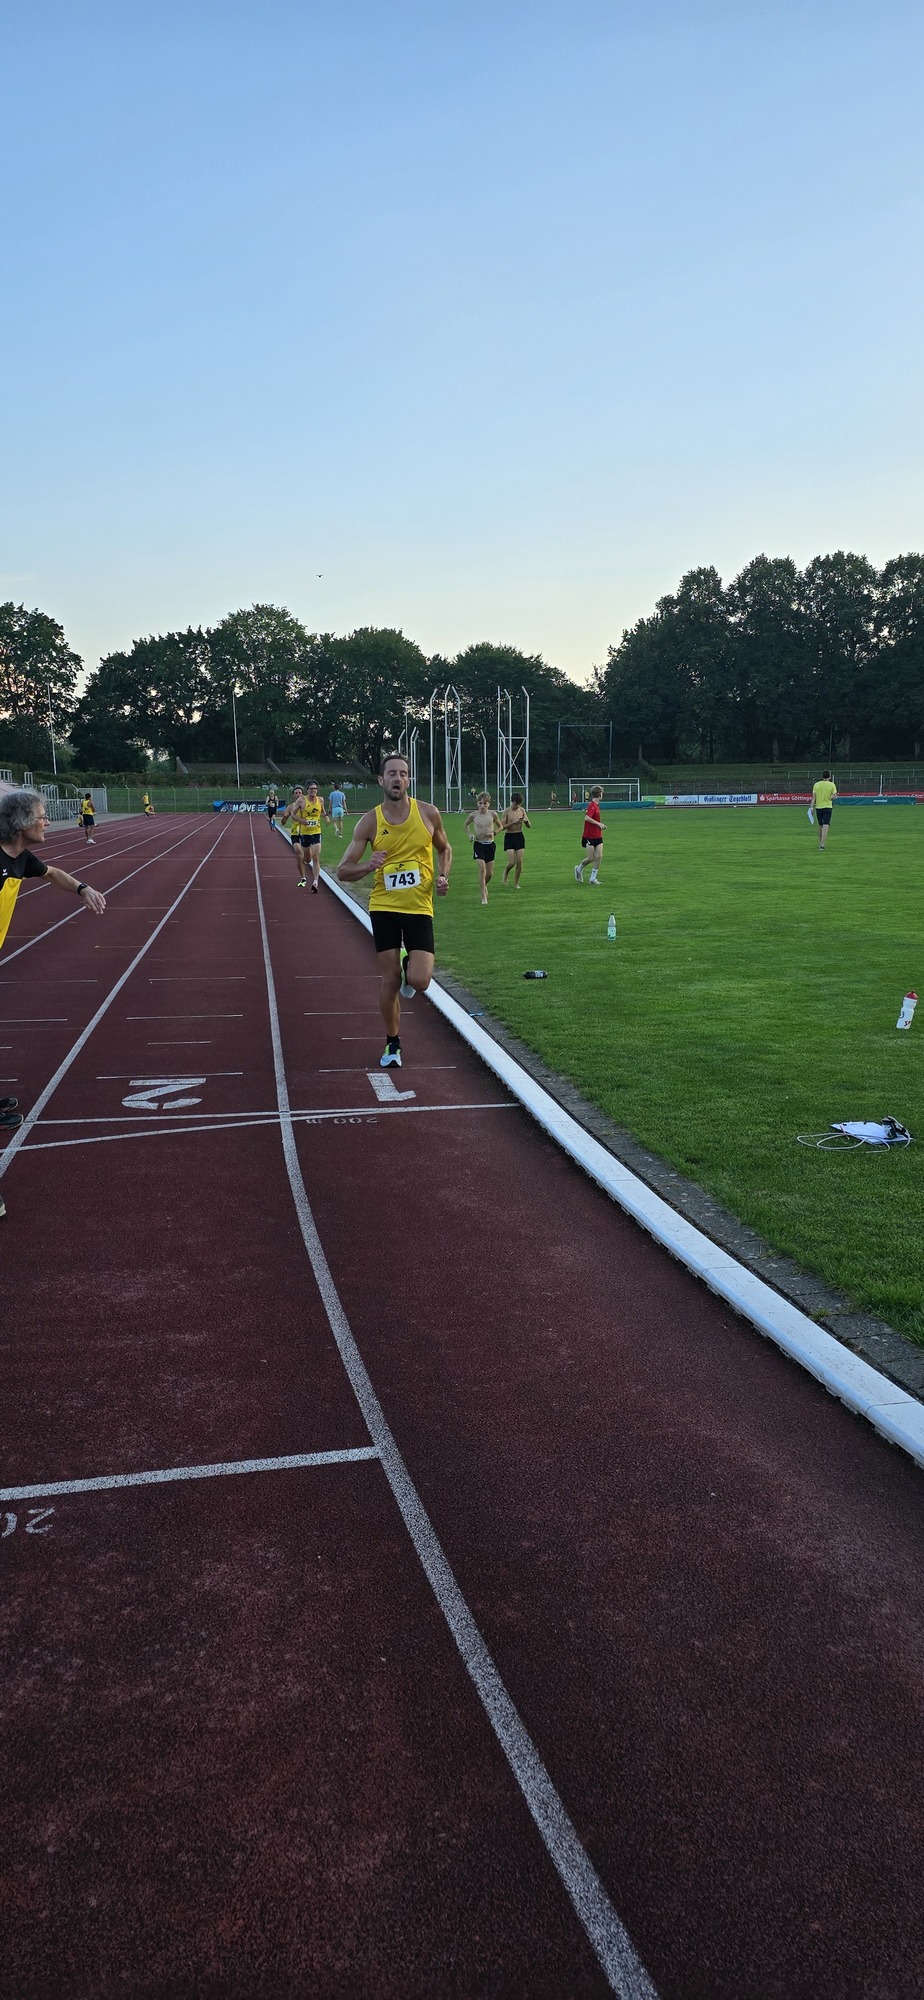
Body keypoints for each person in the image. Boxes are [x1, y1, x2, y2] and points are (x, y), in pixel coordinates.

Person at [0, 788, 107, 1163]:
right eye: (42, 816)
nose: (47, 822)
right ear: (22, 823)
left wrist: (82, 888)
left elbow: (52, 873)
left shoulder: (19, 857)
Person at [337, 752, 451, 1067]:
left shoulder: (428, 813)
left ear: (408, 779)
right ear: (381, 780)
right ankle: (392, 1044)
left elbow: (445, 848)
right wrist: (367, 865)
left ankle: (407, 961)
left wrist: (443, 876)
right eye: (392, 774)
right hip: (384, 906)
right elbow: (343, 871)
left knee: (420, 981)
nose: (398, 778)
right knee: (389, 981)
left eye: (403, 773)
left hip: (419, 907)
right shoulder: (370, 822)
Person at [283, 780, 329, 892]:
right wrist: (301, 820)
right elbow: (292, 816)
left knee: (316, 856)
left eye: (315, 789)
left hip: (316, 831)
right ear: (307, 790)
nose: (313, 790)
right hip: (303, 833)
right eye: (311, 789)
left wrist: (326, 816)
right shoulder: (300, 802)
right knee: (307, 859)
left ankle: (315, 882)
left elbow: (322, 811)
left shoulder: (320, 800)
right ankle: (304, 873)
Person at [464, 793, 502, 904]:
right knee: (482, 869)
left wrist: (494, 833)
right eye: (480, 803)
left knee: (489, 874)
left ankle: (484, 884)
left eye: (485, 803)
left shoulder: (493, 814)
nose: (482, 806)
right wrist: (470, 834)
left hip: (490, 845)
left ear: (488, 804)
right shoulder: (473, 815)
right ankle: (483, 898)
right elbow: (466, 825)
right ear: (477, 803)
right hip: (478, 845)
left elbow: (500, 826)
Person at [500, 793, 531, 888]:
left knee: (519, 861)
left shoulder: (522, 810)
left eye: (519, 804)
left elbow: (529, 825)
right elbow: (502, 827)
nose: (517, 806)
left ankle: (516, 883)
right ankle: (506, 872)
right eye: (516, 804)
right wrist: (513, 822)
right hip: (509, 837)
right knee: (512, 862)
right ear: (512, 801)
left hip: (519, 836)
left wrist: (526, 821)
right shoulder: (506, 811)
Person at [575, 786, 604, 884]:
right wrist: (599, 824)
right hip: (589, 836)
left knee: (599, 856)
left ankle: (593, 878)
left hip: (598, 835)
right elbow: (587, 818)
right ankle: (578, 869)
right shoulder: (592, 806)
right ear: (599, 794)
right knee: (591, 858)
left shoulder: (597, 806)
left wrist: (600, 825)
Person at [811, 770, 838, 850]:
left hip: (818, 807)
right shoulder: (832, 785)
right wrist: (832, 797)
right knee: (826, 824)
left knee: (820, 825)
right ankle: (822, 844)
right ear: (829, 776)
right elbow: (834, 796)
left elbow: (813, 797)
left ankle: (820, 842)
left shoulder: (816, 784)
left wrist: (811, 807)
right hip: (827, 806)